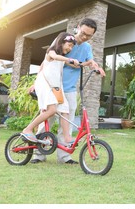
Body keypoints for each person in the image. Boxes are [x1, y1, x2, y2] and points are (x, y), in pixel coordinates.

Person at [30, 18, 106, 164]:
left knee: (67, 122)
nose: (84, 37)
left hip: (69, 89)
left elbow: (90, 63)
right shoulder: (63, 40)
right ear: (78, 27)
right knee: (47, 119)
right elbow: (46, 61)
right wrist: (37, 83)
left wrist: (97, 67)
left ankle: (64, 156)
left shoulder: (87, 48)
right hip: (52, 86)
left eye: (89, 35)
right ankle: (38, 154)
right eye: (83, 33)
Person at [21, 32, 79, 144]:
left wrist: (89, 64)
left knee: (65, 109)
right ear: (61, 42)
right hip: (45, 84)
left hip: (56, 87)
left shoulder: (62, 59)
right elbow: (55, 57)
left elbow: (72, 63)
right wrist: (69, 59)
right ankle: (27, 129)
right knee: (52, 110)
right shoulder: (51, 52)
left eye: (72, 46)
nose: (70, 48)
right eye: (69, 45)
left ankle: (67, 137)